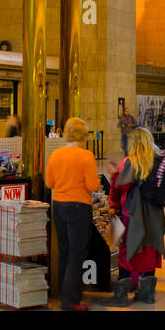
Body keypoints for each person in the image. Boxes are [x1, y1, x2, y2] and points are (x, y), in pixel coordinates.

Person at [102, 127, 165, 306]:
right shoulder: (158, 161)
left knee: (129, 249)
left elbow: (119, 187)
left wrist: (113, 205)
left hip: (133, 212)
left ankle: (121, 297)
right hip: (155, 213)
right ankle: (147, 294)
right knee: (150, 248)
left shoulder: (130, 162)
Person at [44, 117, 101, 311]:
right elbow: (93, 185)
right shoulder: (85, 156)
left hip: (58, 206)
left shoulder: (55, 154)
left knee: (65, 252)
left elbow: (49, 183)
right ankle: (71, 301)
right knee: (77, 254)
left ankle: (64, 297)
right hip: (78, 207)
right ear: (83, 135)